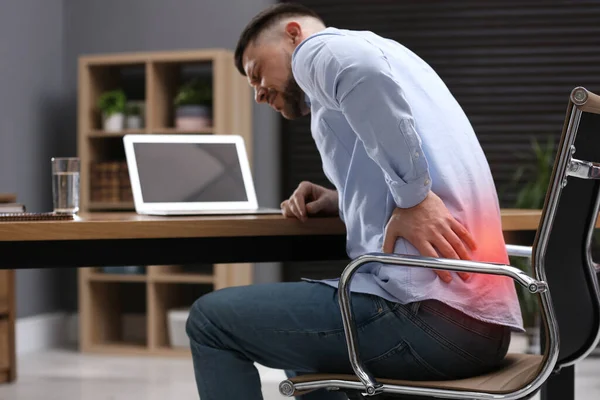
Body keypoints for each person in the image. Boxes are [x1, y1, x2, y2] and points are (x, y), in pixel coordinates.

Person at [185, 3, 523, 399]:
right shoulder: (398, 57)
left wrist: (413, 196)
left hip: (427, 316)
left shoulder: (316, 49)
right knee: (306, 349)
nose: (258, 94)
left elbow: (361, 73)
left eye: (257, 73)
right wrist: (342, 198)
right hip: (484, 326)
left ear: (292, 34)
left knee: (211, 321)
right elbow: (390, 115)